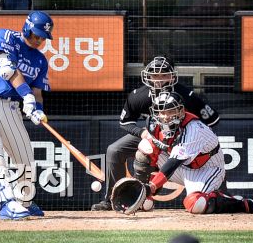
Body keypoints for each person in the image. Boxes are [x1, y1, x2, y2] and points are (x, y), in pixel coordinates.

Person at [91, 56, 219, 211]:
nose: (158, 80)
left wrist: (188, 135)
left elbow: (211, 120)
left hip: (180, 138)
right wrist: (142, 132)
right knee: (115, 150)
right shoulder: (138, 96)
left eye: (163, 75)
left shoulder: (187, 96)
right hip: (153, 135)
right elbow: (125, 122)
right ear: (147, 76)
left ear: (172, 75)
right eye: (154, 75)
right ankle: (121, 199)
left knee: (200, 195)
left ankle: (147, 193)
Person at [0, 11, 53, 220]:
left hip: (10, 108)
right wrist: (27, 96)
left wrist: (37, 109)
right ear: (27, 27)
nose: (39, 40)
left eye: (43, 37)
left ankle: (24, 201)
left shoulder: (40, 61)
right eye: (36, 34)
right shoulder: (5, 37)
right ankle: (5, 202)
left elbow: (38, 91)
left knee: (25, 157)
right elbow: (7, 70)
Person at [141, 91, 253, 214]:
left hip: (207, 169)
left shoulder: (194, 128)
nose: (165, 116)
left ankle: (240, 204)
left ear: (181, 111)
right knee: (146, 148)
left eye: (170, 111)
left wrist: (153, 185)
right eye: (162, 112)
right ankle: (142, 195)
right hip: (183, 166)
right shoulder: (155, 124)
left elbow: (174, 162)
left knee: (195, 203)